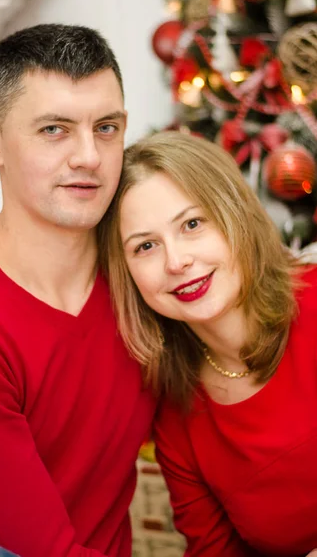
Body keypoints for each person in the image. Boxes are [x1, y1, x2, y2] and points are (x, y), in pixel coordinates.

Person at [0, 24, 156, 557]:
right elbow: (35, 550)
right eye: (54, 129)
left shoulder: (147, 276)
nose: (89, 157)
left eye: (106, 127)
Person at [99, 130, 317, 557]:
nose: (176, 261)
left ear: (234, 215)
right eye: (145, 246)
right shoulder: (177, 416)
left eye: (192, 224)